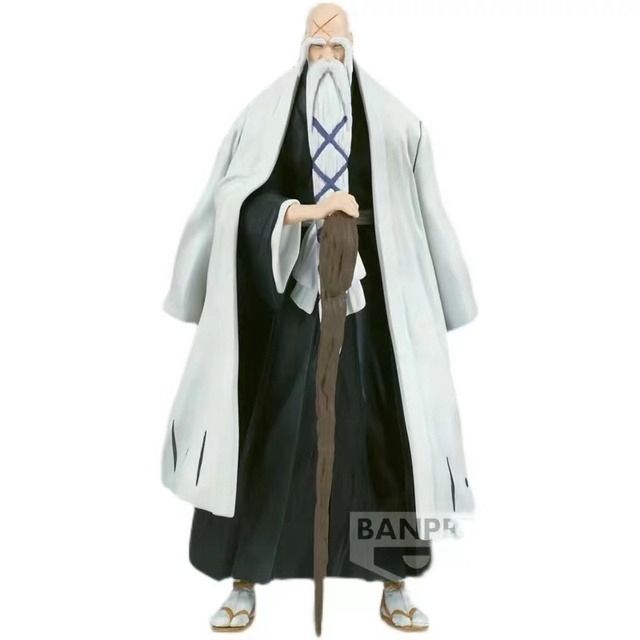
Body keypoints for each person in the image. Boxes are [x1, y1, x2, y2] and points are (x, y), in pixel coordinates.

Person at [162, 3, 477, 633]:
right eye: (317, 46)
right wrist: (300, 214)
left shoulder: (396, 124)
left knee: (381, 431)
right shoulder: (266, 118)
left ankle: (391, 579)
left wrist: (445, 295)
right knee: (272, 427)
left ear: (353, 47)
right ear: (302, 48)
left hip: (368, 309)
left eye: (337, 47)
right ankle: (245, 577)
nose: (327, 58)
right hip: (293, 301)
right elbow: (237, 199)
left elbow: (422, 214)